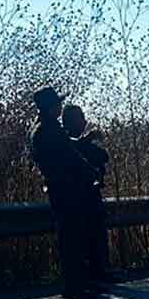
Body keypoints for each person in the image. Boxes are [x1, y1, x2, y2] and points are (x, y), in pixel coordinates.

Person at [29, 86, 101, 299]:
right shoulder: (49, 129)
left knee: (70, 237)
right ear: (51, 107)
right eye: (57, 104)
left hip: (59, 188)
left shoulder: (41, 128)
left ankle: (77, 284)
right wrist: (90, 172)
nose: (60, 107)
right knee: (72, 238)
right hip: (67, 188)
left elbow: (70, 147)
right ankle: (75, 286)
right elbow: (70, 156)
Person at [61, 103, 112, 286]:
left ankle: (99, 272)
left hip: (91, 193)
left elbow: (103, 156)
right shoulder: (63, 140)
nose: (84, 121)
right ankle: (87, 277)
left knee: (97, 234)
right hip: (76, 196)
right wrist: (88, 140)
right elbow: (74, 152)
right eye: (79, 118)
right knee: (83, 238)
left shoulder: (81, 143)